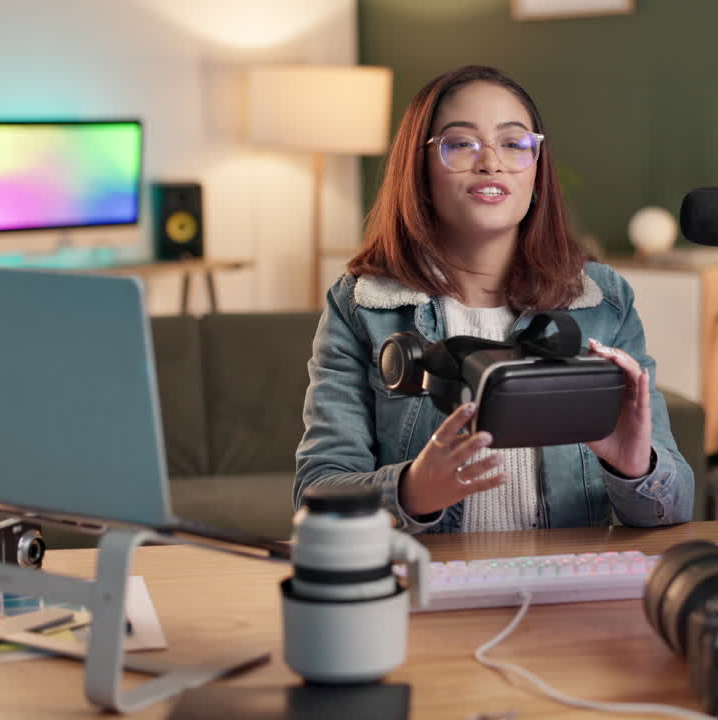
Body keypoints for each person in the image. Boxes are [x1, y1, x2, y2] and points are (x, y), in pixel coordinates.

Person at [294, 65, 693, 533]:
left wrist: (635, 466)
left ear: (537, 170)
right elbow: (316, 493)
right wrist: (411, 493)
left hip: (567, 585)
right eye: (461, 144)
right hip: (428, 588)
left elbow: (676, 505)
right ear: (419, 172)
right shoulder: (363, 306)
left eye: (514, 143)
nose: (491, 162)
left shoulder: (602, 301)